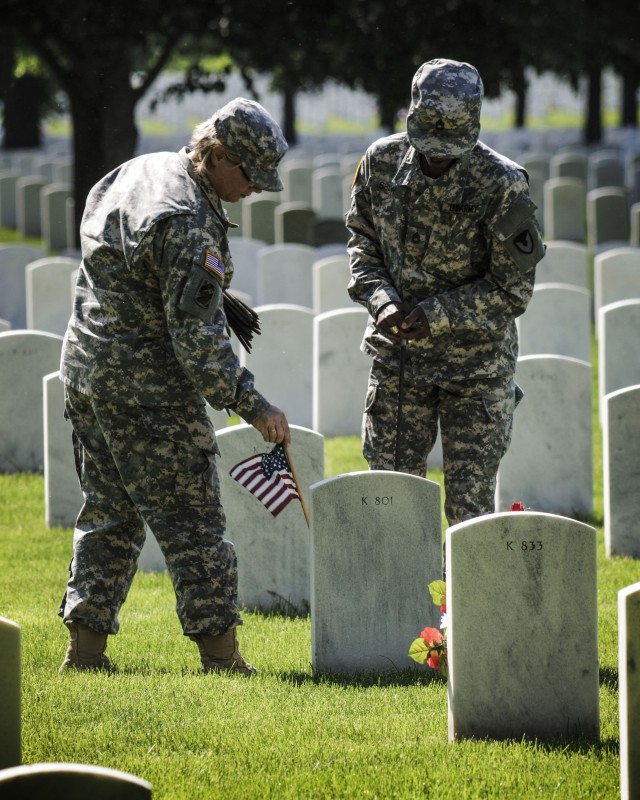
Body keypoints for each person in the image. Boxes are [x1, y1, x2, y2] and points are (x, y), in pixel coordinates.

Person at [58, 97, 291, 675]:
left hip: (86, 371)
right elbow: (198, 346)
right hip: (148, 391)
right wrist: (254, 404)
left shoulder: (140, 170)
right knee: (195, 522)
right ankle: (222, 657)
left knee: (108, 512)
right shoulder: (189, 222)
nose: (256, 189)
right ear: (213, 154)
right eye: (249, 175)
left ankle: (84, 653)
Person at [346, 58, 545, 533]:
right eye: (428, 146)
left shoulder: (502, 184)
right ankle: (399, 607)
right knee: (391, 503)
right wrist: (383, 302)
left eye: (449, 150)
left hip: (474, 369)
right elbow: (361, 243)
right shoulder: (381, 163)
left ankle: (463, 609)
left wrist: (437, 314)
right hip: (400, 362)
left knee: (469, 514)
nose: (437, 158)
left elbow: (511, 289)